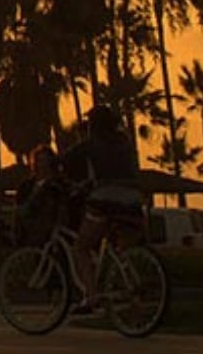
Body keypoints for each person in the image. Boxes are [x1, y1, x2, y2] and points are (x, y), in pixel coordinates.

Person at [62, 106, 145, 304]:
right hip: (133, 198)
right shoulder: (124, 141)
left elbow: (65, 159)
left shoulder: (91, 144)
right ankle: (132, 284)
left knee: (81, 247)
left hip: (105, 199)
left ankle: (90, 295)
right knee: (121, 250)